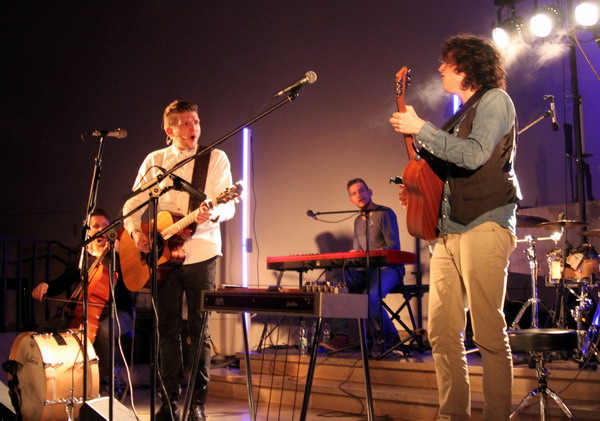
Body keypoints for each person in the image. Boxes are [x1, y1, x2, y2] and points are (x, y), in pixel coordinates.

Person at [389, 35, 521, 421]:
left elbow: (476, 153)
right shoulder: (460, 115)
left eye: (447, 63)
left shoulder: (496, 100)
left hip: (485, 223)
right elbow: (448, 170)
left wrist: (421, 127)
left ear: (466, 66)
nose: (441, 68)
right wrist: (419, 192)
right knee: (442, 335)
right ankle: (452, 416)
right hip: (448, 232)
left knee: (488, 334)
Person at [122, 100, 235, 421]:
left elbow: (230, 204)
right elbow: (133, 204)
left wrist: (214, 210)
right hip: (162, 259)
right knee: (166, 329)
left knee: (201, 330)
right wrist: (134, 234)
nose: (193, 129)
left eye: (196, 122)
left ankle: (197, 403)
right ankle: (168, 401)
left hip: (202, 252)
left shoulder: (215, 158)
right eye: (185, 123)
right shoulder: (155, 161)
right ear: (169, 129)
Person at [31, 208, 135, 396]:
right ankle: (55, 384)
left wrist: (117, 254)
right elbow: (67, 277)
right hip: (90, 313)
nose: (102, 230)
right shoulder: (84, 256)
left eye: (105, 225)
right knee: (47, 329)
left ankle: (108, 383)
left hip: (120, 313)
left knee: (105, 330)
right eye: (96, 226)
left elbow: (131, 280)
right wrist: (47, 286)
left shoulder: (121, 254)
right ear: (88, 232)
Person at [325, 178, 404, 351]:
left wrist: (370, 254)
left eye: (361, 190)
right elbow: (357, 252)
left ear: (370, 192)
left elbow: (393, 247)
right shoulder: (358, 221)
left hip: (388, 269)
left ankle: (392, 337)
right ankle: (341, 337)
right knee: (339, 284)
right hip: (365, 271)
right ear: (350, 200)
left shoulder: (385, 213)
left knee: (370, 297)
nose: (358, 195)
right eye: (354, 193)